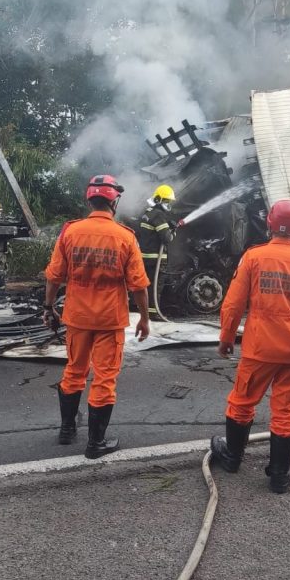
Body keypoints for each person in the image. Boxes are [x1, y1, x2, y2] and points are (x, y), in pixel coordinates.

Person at [211, 198, 290, 494]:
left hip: (259, 350)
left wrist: (227, 337)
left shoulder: (254, 258)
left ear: (269, 223)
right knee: (286, 412)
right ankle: (279, 476)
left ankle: (232, 457)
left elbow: (232, 305)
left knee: (242, 403)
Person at [44, 174, 150, 458]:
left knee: (74, 371)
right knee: (104, 378)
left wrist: (48, 307)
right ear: (114, 201)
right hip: (109, 319)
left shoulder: (71, 231)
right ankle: (95, 444)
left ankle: (67, 430)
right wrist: (144, 318)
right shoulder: (125, 236)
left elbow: (54, 276)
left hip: (77, 317)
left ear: (89, 199)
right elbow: (138, 285)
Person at [138, 184, 177, 319]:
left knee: (146, 286)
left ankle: (145, 311)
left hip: (145, 257)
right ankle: (154, 314)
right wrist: (173, 231)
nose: (168, 203)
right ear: (158, 199)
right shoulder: (159, 215)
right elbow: (167, 238)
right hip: (156, 259)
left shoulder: (147, 213)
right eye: (166, 201)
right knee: (156, 287)